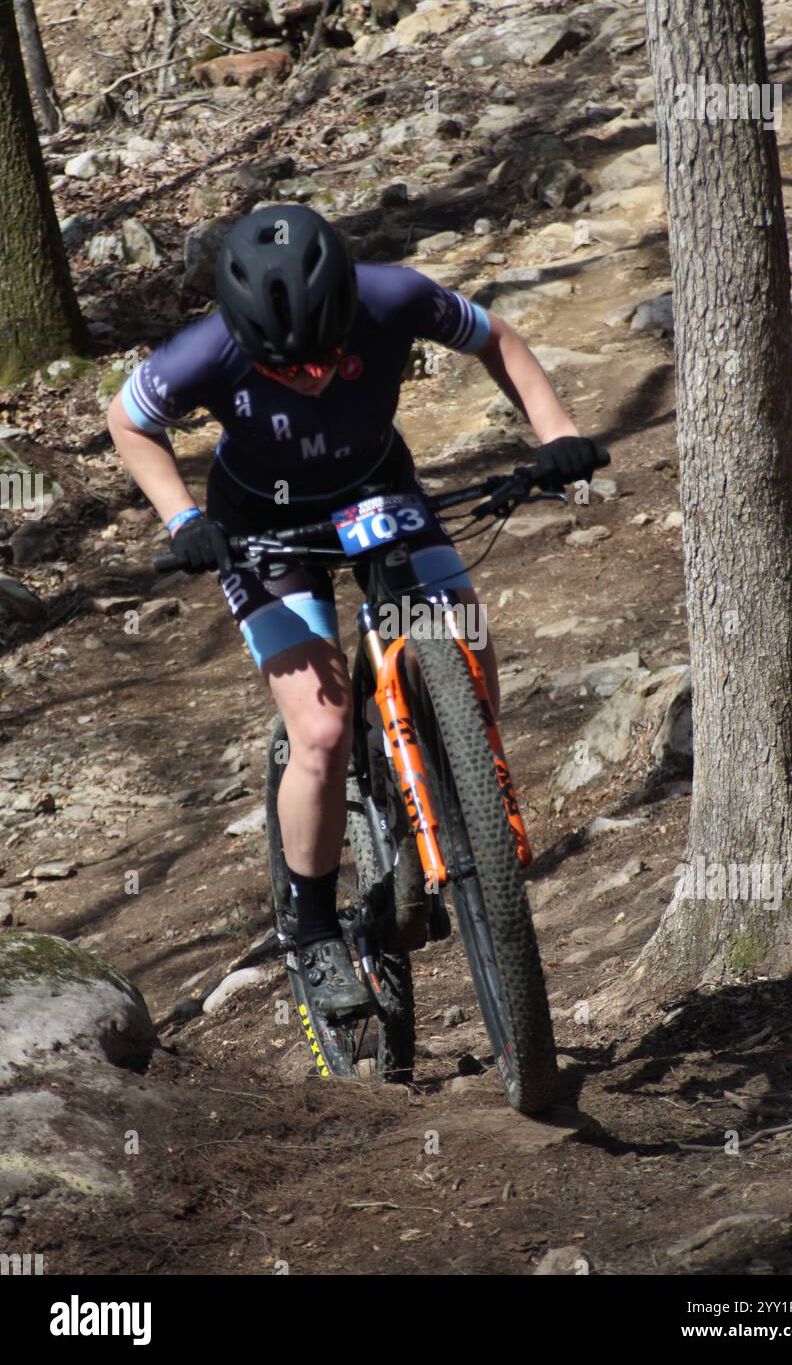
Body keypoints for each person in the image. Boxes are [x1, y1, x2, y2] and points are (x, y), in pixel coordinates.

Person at [107, 204, 604, 1022]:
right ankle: (309, 929)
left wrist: (556, 432)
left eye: (326, 359)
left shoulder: (392, 296)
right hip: (261, 527)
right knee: (326, 730)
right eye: (285, 369)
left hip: (378, 490)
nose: (309, 378)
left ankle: (452, 796)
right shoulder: (205, 351)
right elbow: (129, 419)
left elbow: (495, 338)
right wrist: (182, 520)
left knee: (465, 643)